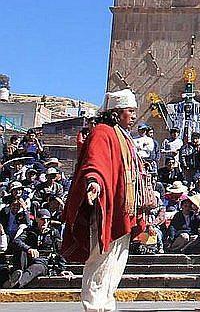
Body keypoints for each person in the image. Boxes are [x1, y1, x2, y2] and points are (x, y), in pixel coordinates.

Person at [61, 89, 146, 312]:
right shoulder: (102, 132)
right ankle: (94, 306)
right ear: (116, 113)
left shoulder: (122, 136)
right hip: (107, 207)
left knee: (116, 261)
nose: (134, 116)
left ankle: (106, 304)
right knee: (100, 259)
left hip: (123, 208)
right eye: (130, 111)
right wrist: (94, 183)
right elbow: (94, 162)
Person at [5, 208, 63, 288]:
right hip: (28, 260)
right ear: (37, 219)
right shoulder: (30, 231)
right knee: (20, 249)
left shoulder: (53, 232)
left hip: (42, 262)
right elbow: (16, 241)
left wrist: (62, 269)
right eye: (42, 219)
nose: (45, 222)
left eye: (47, 219)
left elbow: (61, 251)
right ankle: (17, 273)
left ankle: (16, 284)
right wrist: (28, 249)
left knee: (35, 268)